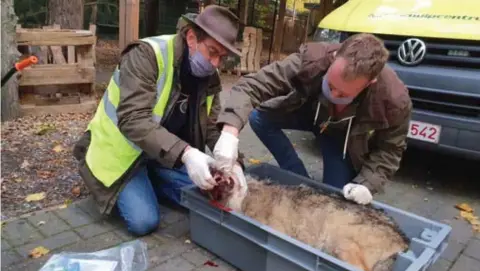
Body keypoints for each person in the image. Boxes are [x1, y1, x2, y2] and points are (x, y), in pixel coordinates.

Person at [73, 5, 247, 236]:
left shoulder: (208, 76)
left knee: (214, 194)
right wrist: (187, 154)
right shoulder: (146, 55)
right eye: (212, 52)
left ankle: (154, 178)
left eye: (222, 58)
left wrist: (233, 163)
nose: (215, 64)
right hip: (121, 155)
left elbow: (211, 126)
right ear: (192, 38)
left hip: (163, 154)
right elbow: (133, 119)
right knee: (143, 221)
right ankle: (110, 178)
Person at [212, 33, 412, 205]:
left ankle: (319, 184)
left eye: (343, 94)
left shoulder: (394, 100)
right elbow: (252, 85)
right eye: (330, 84)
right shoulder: (312, 59)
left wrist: (367, 184)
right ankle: (298, 178)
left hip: (341, 136)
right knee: (259, 116)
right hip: (310, 113)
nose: (333, 93)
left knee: (335, 199)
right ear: (335, 58)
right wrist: (230, 132)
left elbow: (390, 150)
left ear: (370, 83)